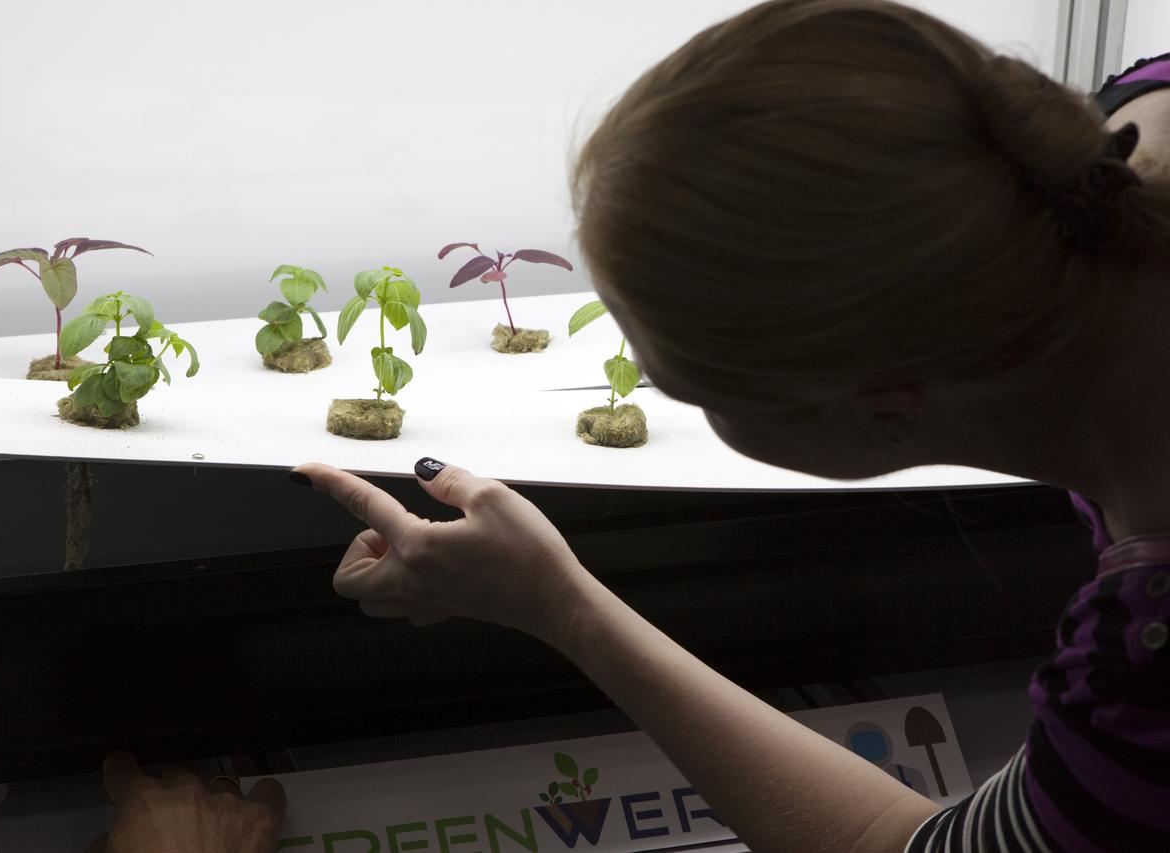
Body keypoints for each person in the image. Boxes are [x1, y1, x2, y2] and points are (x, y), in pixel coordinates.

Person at [285, 2, 1170, 851]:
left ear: (878, 401)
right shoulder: (1099, 152)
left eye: (688, 386)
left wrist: (558, 602)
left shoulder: (1146, 663)